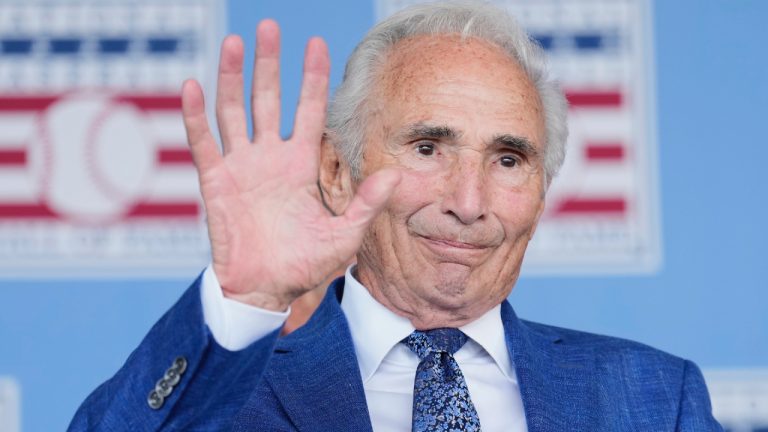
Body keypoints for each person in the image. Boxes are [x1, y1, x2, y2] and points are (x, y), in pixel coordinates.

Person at [69, 2, 723, 431]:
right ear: (335, 169)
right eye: (427, 148)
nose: (467, 204)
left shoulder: (657, 399)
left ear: (542, 190)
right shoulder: (232, 389)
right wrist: (247, 298)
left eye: (507, 159)